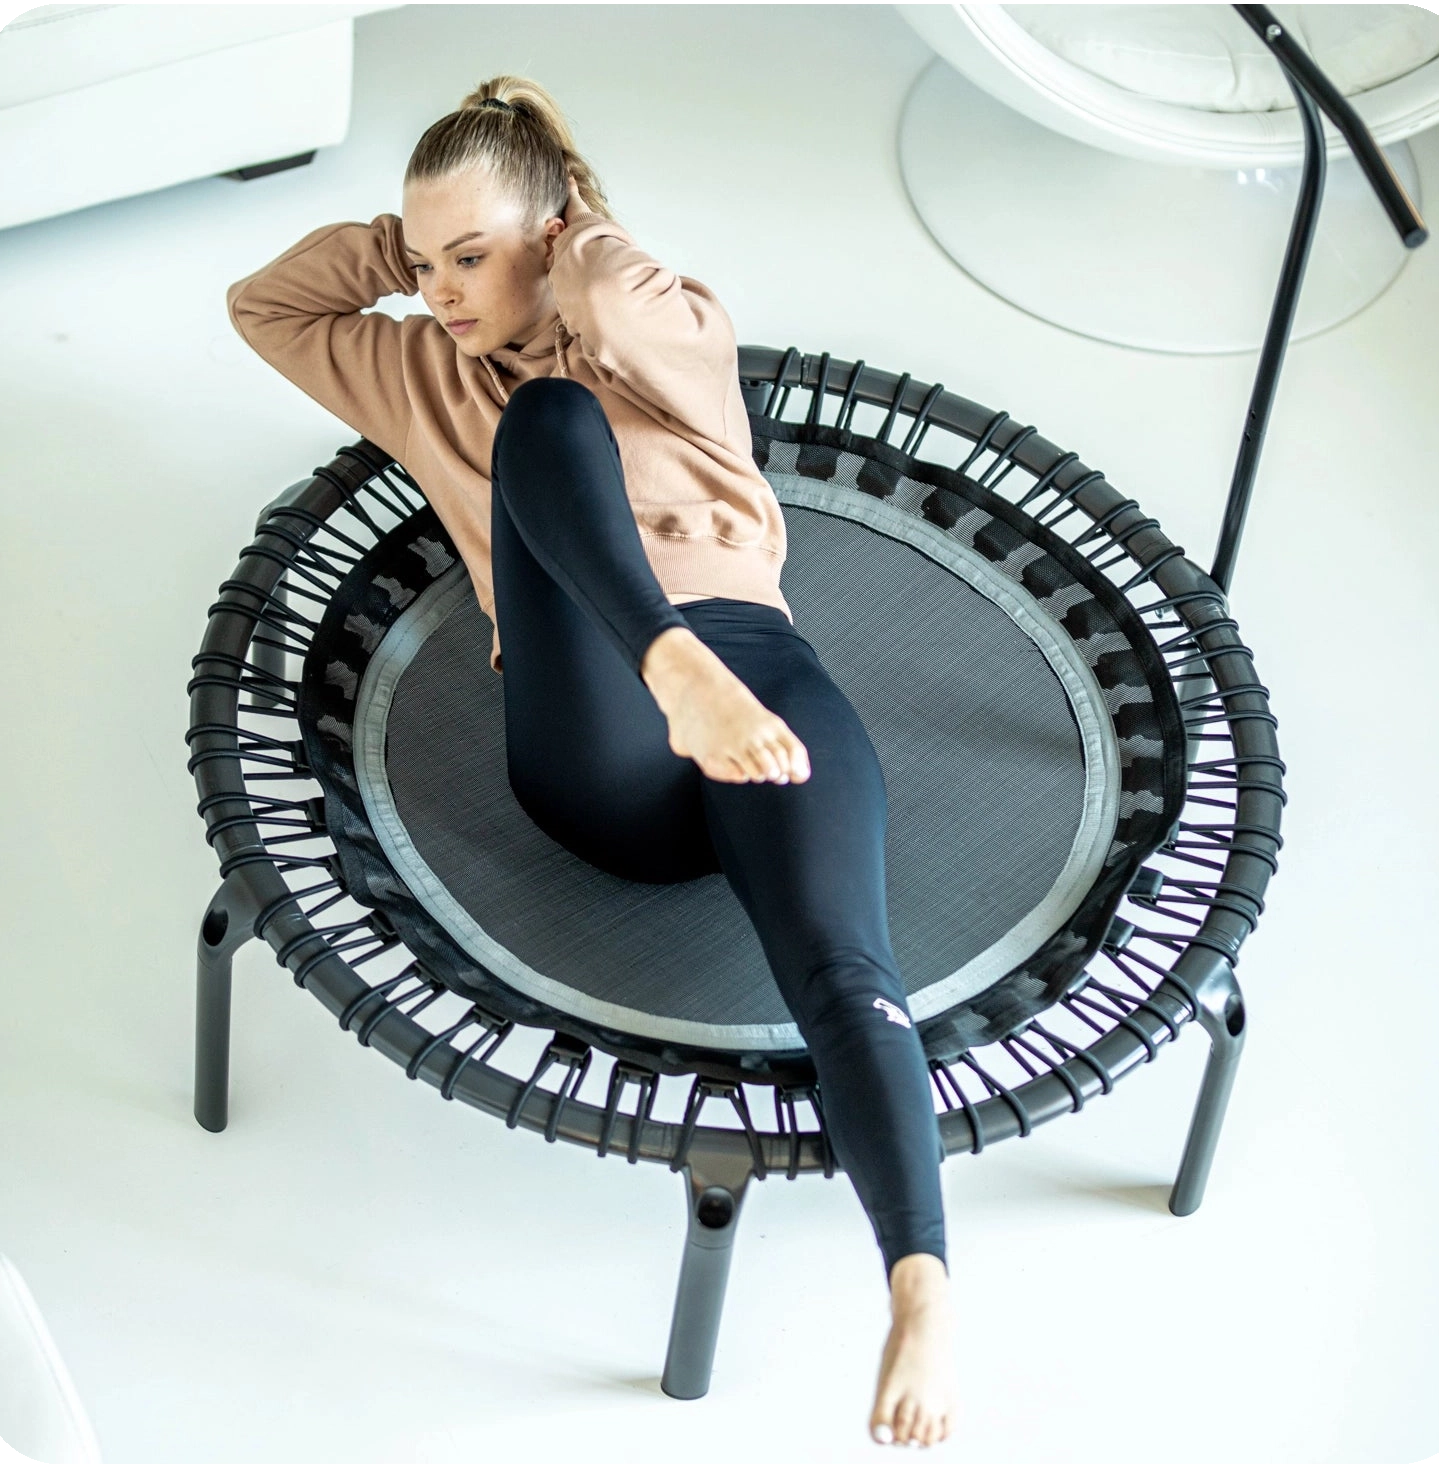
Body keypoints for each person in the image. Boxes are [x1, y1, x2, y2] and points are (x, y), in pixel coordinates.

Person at [226, 73, 957, 1448]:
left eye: (473, 256)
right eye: (422, 262)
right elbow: (263, 308)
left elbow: (616, 302)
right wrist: (406, 243)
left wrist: (579, 240)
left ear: (552, 234)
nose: (442, 292)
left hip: (762, 674)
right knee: (541, 432)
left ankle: (919, 1279)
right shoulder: (424, 375)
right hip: (602, 733)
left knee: (850, 976)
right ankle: (667, 663)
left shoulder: (663, 332)